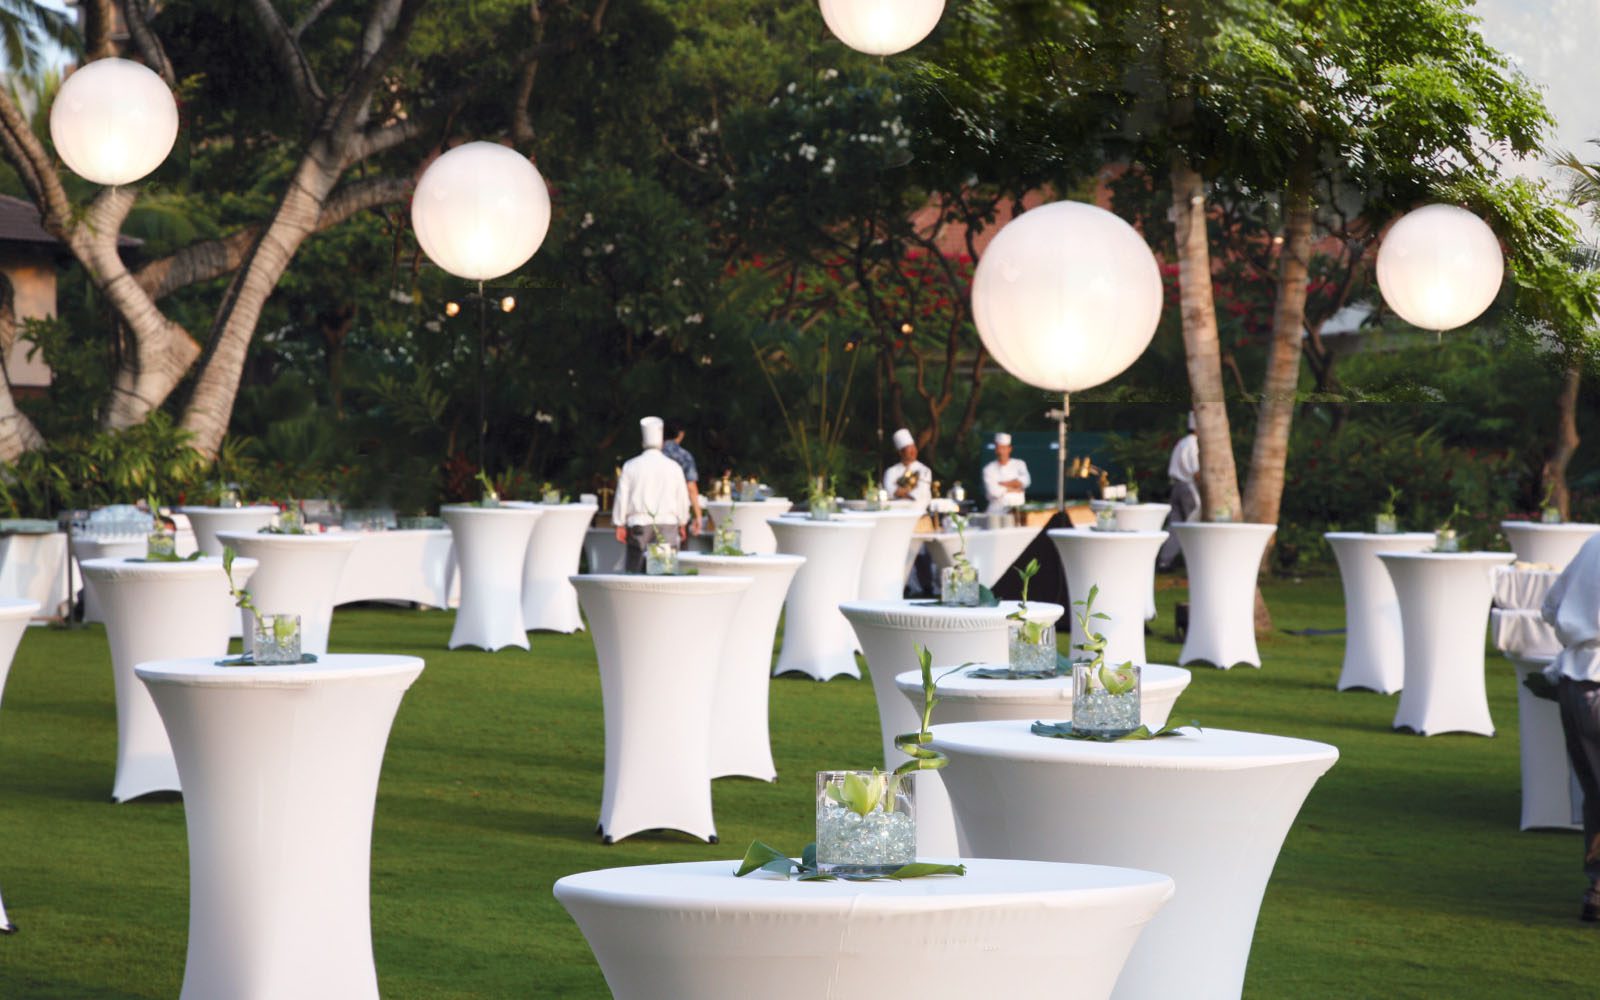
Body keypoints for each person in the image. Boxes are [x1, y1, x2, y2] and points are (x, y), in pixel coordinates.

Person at [1540, 533, 1600, 921]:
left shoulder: (1596, 542)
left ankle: (1596, 891)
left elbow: (1550, 607)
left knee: (1595, 793)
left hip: (1575, 686)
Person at [613, 416, 690, 573]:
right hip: (668, 523)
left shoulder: (631, 465)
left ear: (643, 442)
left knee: (636, 572)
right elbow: (682, 496)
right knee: (664, 572)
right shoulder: (674, 467)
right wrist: (683, 521)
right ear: (661, 443)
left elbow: (622, 496)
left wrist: (619, 523)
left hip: (639, 524)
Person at [1156, 413, 1200, 572]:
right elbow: (1196, 472)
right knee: (1194, 524)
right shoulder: (1194, 445)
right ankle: (1196, 562)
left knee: (1175, 526)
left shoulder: (1182, 443)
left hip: (1175, 487)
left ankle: (1164, 562)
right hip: (1188, 488)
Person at [661, 417, 702, 534]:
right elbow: (691, 488)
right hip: (674, 514)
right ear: (681, 434)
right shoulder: (684, 456)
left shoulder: (652, 455)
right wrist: (698, 515)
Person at [982, 432, 1031, 513]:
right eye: (999, 448)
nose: (1001, 452)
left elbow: (1026, 481)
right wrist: (1014, 488)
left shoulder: (1019, 464)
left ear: (1009, 449)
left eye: (1004, 448)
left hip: (1017, 509)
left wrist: (1003, 484)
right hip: (996, 511)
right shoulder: (988, 469)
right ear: (996, 450)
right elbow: (993, 491)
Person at [883, 427, 932, 508]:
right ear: (901, 452)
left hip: (919, 510)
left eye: (914, 448)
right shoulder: (891, 471)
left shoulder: (924, 470)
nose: (913, 451)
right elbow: (889, 492)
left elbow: (921, 492)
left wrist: (900, 493)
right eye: (909, 449)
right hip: (896, 511)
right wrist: (908, 490)